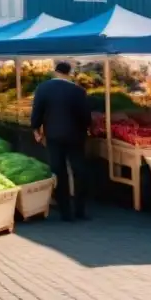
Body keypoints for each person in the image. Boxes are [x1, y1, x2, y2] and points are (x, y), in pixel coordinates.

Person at [30, 61, 92, 222]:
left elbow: (37, 111)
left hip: (53, 136)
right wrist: (86, 128)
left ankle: (65, 212)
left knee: (59, 171)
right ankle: (80, 209)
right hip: (75, 136)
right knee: (80, 171)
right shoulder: (79, 91)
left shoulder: (43, 88)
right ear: (69, 73)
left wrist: (36, 129)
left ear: (55, 72)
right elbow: (86, 116)